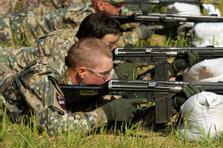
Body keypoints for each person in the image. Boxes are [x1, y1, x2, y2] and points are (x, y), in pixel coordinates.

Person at [0, 38, 146, 136]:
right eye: (104, 73)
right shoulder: (43, 77)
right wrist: (105, 113)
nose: (109, 78)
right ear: (82, 72)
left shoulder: (70, 74)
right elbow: (52, 127)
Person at [0, 12, 121, 81]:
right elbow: (61, 82)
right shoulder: (63, 48)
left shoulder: (83, 40)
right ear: (92, 39)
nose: (114, 48)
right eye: (108, 45)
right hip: (6, 66)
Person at [0, 0, 154, 47]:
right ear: (101, 5)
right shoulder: (81, 18)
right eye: (118, 6)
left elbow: (114, 18)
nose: (122, 8)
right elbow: (97, 45)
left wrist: (136, 18)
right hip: (7, 32)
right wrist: (137, 34)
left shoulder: (89, 7)